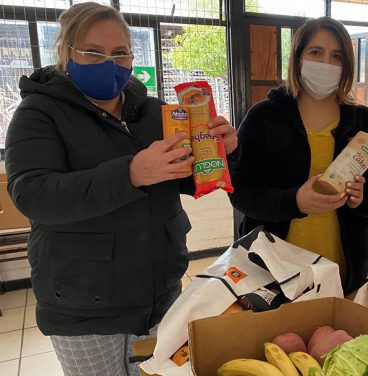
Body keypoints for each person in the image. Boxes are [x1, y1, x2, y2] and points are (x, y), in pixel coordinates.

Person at [4, 3, 237, 375]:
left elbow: (185, 175)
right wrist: (130, 174)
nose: (108, 64)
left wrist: (220, 152)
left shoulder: (152, 112)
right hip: (84, 306)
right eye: (93, 53)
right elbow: (33, 194)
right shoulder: (38, 113)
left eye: (119, 53)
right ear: (66, 53)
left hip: (159, 295)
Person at [229, 17, 368, 293]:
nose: (326, 63)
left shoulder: (362, 120)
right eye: (316, 52)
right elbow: (239, 192)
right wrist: (294, 200)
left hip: (341, 268)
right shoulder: (263, 117)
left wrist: (362, 199)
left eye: (337, 56)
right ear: (298, 59)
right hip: (272, 270)